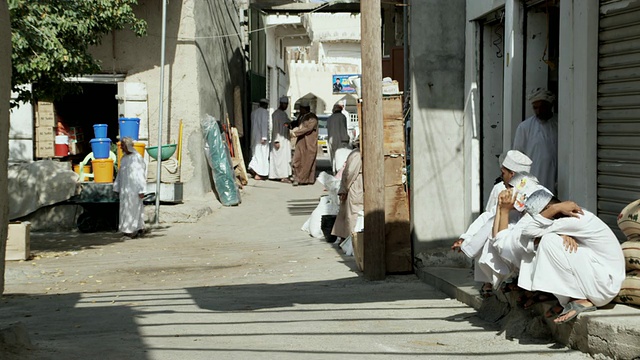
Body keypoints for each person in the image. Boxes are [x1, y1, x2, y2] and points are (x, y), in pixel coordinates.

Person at [515, 188, 625, 323]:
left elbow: (528, 231)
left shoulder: (575, 219)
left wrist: (555, 209)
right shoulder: (567, 222)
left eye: (545, 213)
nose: (544, 218)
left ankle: (579, 299)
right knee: (545, 242)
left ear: (550, 208)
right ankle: (570, 298)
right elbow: (527, 240)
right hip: (600, 283)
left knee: (549, 241)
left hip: (604, 286)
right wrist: (561, 234)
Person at [451, 150, 533, 296]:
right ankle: (490, 281)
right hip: (497, 226)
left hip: (520, 232)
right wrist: (467, 237)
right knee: (484, 236)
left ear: (512, 174)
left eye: (503, 173)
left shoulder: (529, 191)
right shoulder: (499, 188)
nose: (502, 176)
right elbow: (488, 215)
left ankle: (513, 281)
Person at [513, 88, 558, 193]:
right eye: (535, 108)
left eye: (542, 107)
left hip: (558, 180)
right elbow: (517, 157)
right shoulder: (524, 127)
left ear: (550, 105)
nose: (539, 111)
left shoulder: (560, 124)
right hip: (534, 180)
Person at [113, 137, 147, 239]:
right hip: (125, 189)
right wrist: (117, 187)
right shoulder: (124, 159)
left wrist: (142, 189)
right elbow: (120, 174)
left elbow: (140, 174)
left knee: (133, 209)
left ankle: (130, 231)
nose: (122, 148)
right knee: (126, 209)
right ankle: (139, 228)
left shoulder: (136, 158)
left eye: (123, 145)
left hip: (134, 189)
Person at [331, 139, 362, 241]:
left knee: (349, 214)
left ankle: (346, 239)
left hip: (352, 187)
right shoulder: (357, 154)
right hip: (355, 187)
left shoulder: (355, 153)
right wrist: (344, 189)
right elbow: (350, 173)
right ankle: (351, 240)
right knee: (353, 215)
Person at [290, 102, 318, 186]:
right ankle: (298, 177)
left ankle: (302, 179)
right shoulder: (302, 117)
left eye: (301, 109)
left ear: (305, 109)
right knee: (297, 159)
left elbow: (308, 128)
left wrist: (295, 133)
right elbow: (298, 124)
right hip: (301, 142)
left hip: (309, 143)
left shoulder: (312, 118)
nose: (300, 110)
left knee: (307, 161)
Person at [269, 96, 292, 182]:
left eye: (287, 104)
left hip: (285, 139)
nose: (286, 106)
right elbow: (275, 128)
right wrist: (276, 140)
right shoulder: (276, 114)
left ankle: (284, 175)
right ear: (281, 104)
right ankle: (281, 176)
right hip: (279, 140)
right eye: (285, 104)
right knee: (279, 159)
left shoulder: (284, 114)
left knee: (284, 159)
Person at [248, 98, 270, 180]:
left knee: (255, 154)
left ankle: (253, 168)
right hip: (261, 138)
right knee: (262, 155)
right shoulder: (264, 112)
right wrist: (264, 137)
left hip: (254, 137)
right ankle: (260, 173)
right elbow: (264, 124)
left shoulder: (254, 112)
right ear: (265, 105)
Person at [326, 103, 351, 173]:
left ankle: (334, 170)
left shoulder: (330, 118)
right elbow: (344, 128)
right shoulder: (342, 117)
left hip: (331, 139)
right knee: (340, 155)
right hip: (341, 139)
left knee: (333, 155)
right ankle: (339, 170)